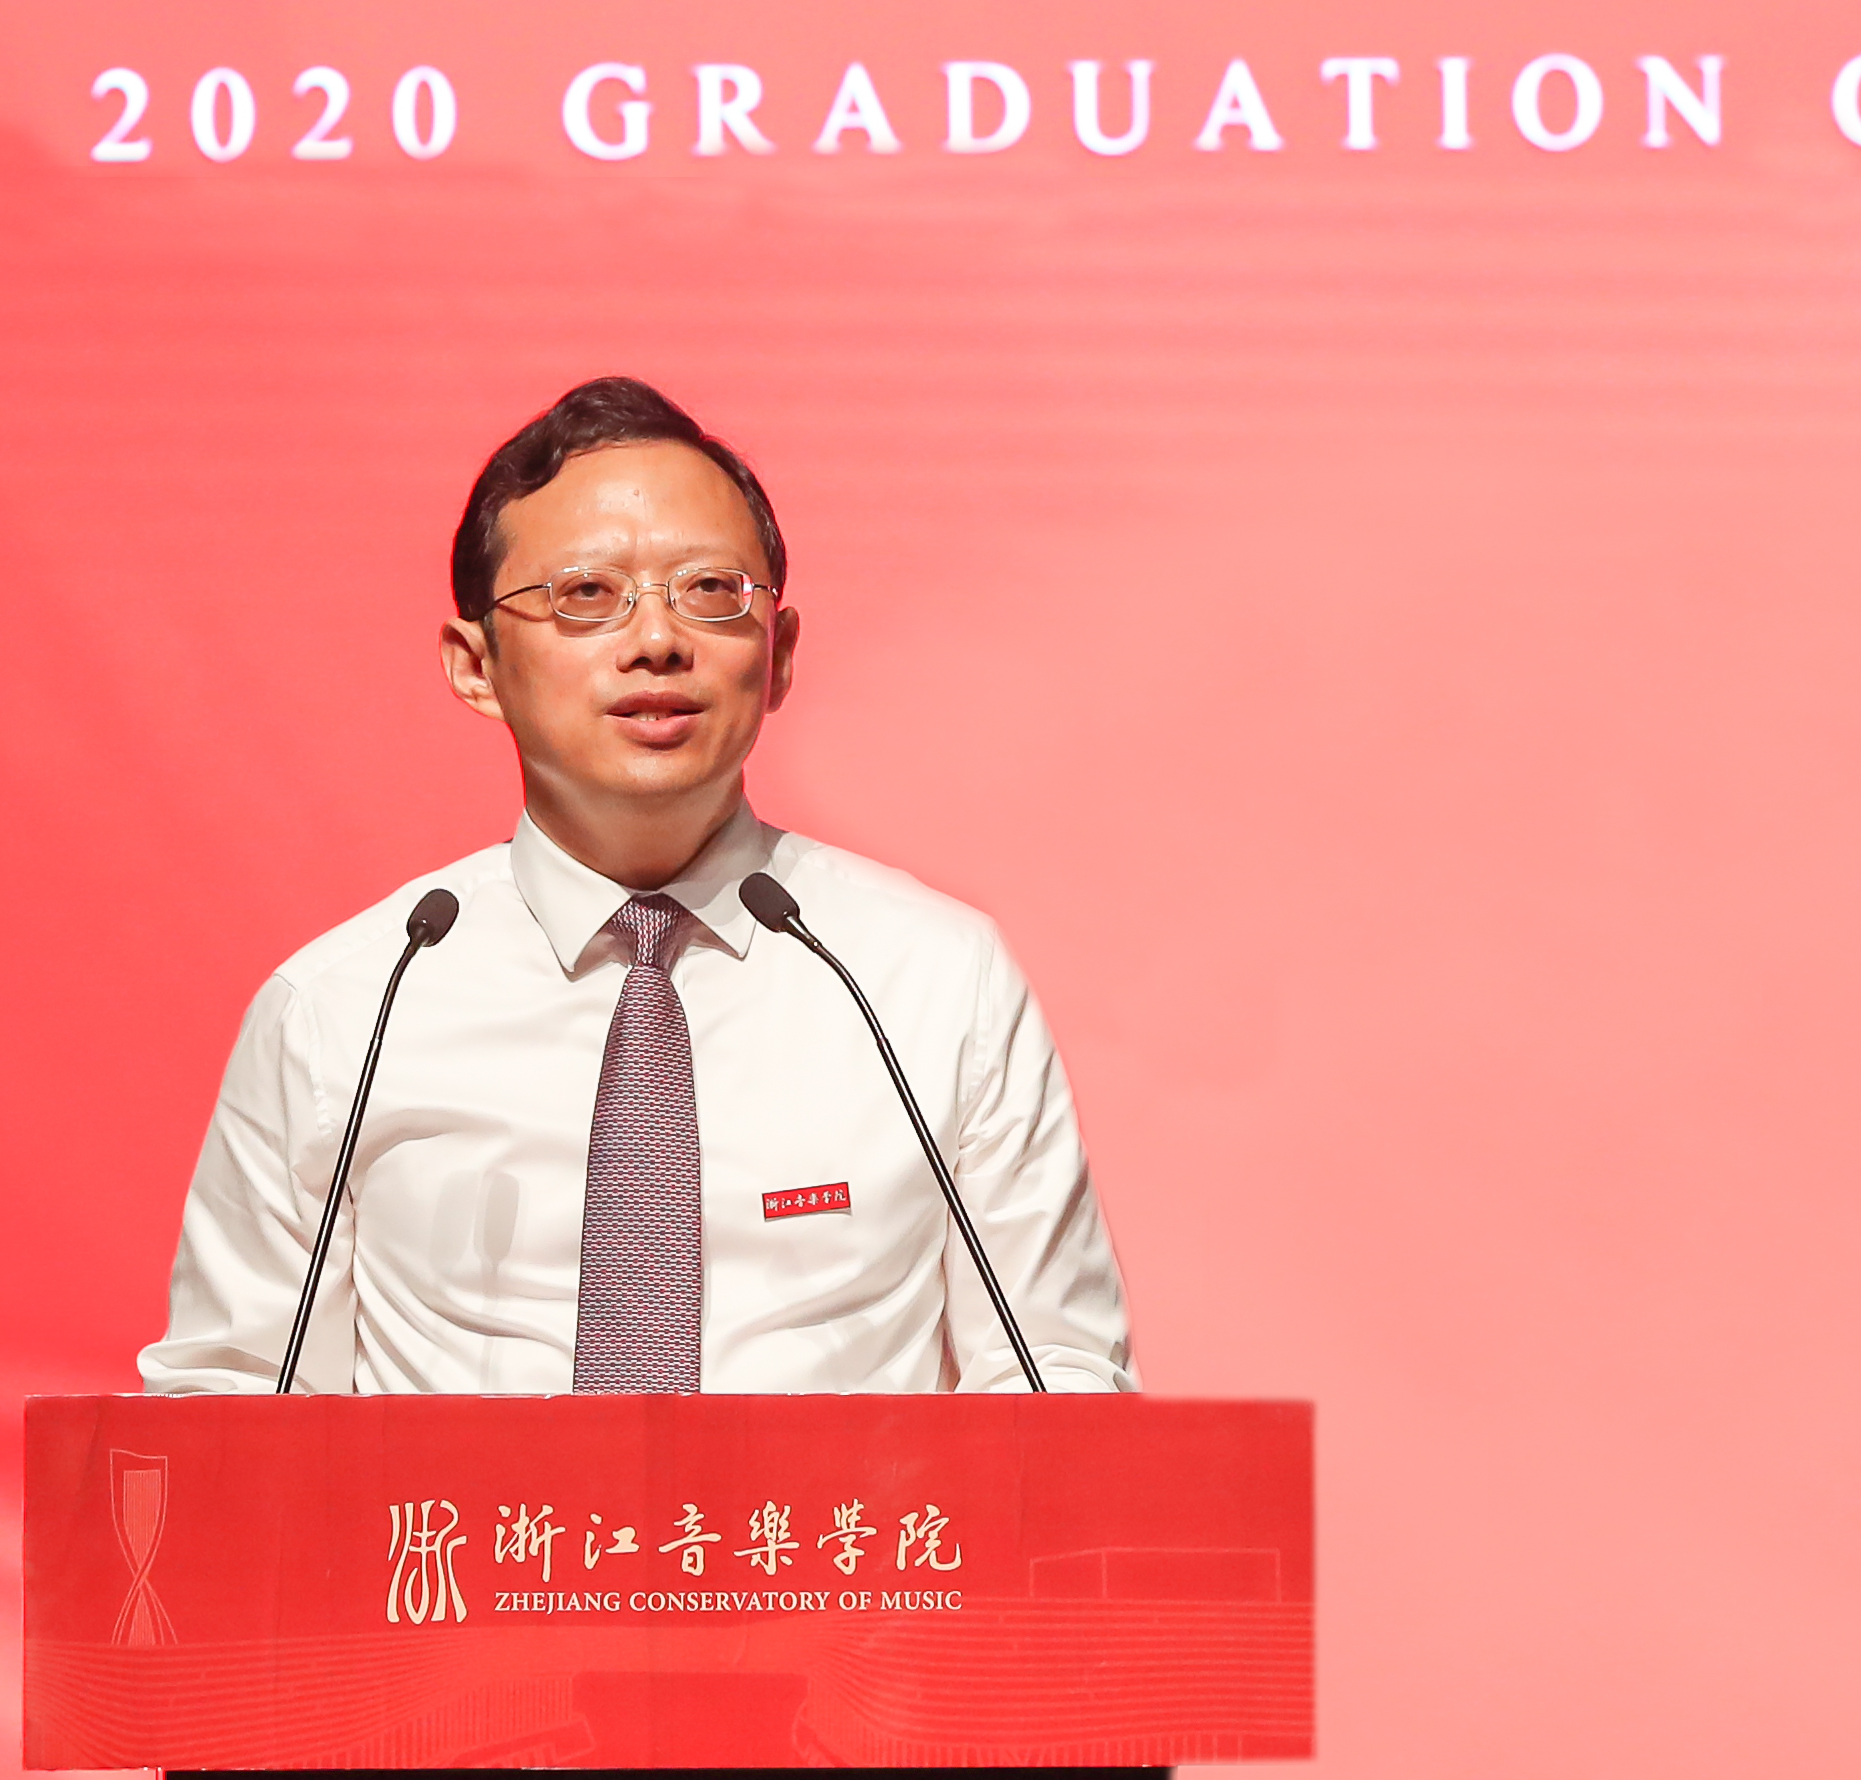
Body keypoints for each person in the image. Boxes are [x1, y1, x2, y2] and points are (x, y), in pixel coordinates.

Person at [141, 377, 1131, 1394]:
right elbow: (227, 1407)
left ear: (780, 654)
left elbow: (1060, 1385)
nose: (656, 640)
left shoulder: (931, 980)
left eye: (709, 591)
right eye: (585, 595)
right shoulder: (348, 1006)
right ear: (475, 665)